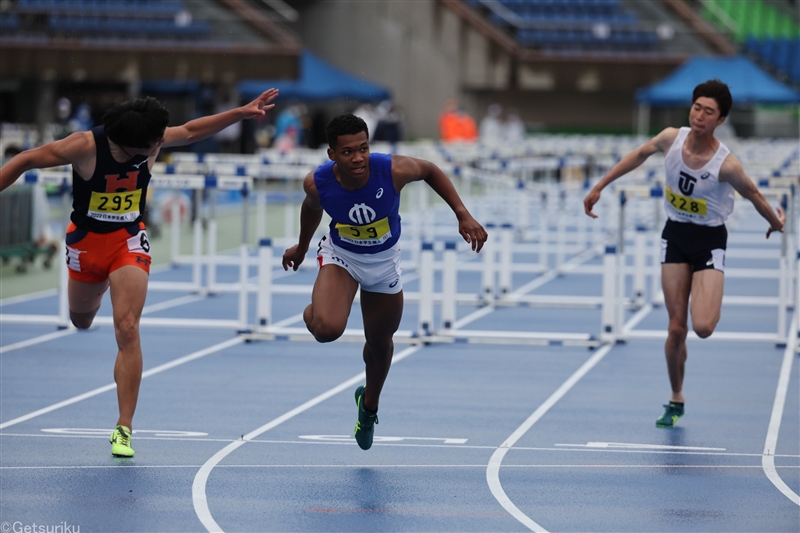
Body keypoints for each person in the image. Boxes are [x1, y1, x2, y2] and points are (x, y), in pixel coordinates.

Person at [0, 89, 279, 457]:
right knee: (81, 320)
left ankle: (124, 427)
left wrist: (240, 113)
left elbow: (192, 131)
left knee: (127, 327)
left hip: (127, 240)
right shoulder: (83, 146)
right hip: (85, 243)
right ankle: (94, 292)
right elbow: (25, 159)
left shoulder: (152, 138)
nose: (159, 146)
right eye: (153, 146)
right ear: (130, 144)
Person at [582, 79, 785, 428]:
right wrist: (600, 185)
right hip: (675, 236)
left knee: (703, 326)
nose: (700, 116)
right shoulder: (670, 138)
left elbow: (753, 194)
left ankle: (708, 291)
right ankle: (676, 397)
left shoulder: (727, 164)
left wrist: (776, 222)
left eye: (709, 112)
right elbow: (639, 154)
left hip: (708, 241)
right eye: (696, 108)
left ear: (720, 120)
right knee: (676, 329)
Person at [282, 114, 487, 450]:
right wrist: (302, 247)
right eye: (348, 152)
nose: (358, 158)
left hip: (384, 263)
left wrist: (462, 213)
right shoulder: (317, 182)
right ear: (332, 154)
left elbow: (431, 170)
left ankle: (369, 405)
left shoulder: (393, 170)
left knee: (380, 342)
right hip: (342, 257)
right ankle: (319, 310)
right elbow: (312, 207)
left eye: (363, 148)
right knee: (326, 329)